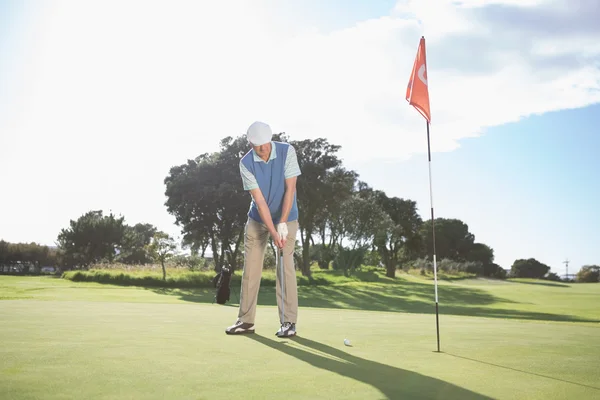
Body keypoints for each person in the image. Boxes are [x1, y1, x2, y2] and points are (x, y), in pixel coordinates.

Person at [225, 121, 301, 337]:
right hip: (258, 219)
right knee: (251, 269)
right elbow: (260, 202)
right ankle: (245, 321)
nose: (264, 149)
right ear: (250, 144)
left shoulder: (287, 152)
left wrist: (282, 224)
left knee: (285, 266)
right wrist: (273, 231)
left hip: (288, 216)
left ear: (271, 139)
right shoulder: (246, 163)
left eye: (266, 144)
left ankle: (288, 322)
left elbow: (290, 190)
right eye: (258, 146)